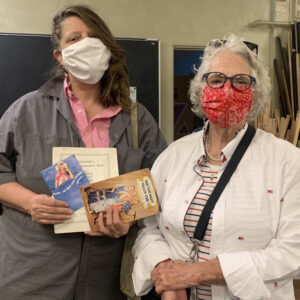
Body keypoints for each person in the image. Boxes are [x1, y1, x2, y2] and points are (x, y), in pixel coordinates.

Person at [0, 4, 167, 300]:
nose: (86, 44)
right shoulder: (26, 110)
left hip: (104, 279)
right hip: (32, 276)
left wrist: (128, 220)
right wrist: (30, 203)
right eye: (74, 39)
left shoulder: (137, 119)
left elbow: (162, 182)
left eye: (93, 36)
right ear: (60, 56)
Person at [132, 33, 300, 300]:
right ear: (201, 89)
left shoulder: (288, 162)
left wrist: (196, 273)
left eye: (241, 82)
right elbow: (149, 227)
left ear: (255, 94)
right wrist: (166, 272)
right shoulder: (172, 156)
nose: (227, 90)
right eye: (217, 80)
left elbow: (294, 252)